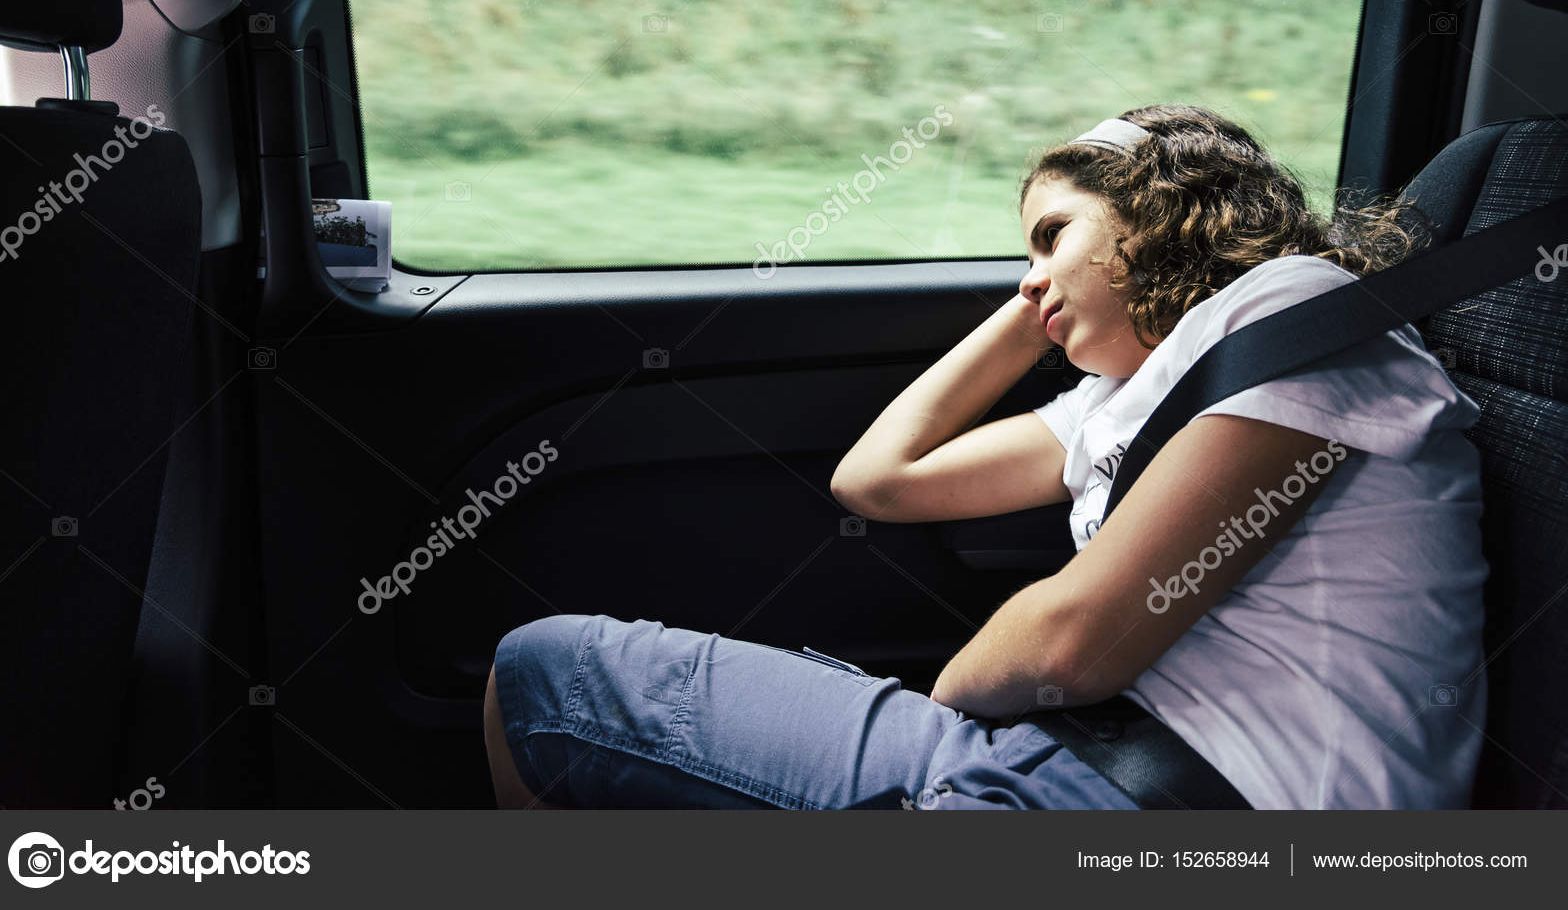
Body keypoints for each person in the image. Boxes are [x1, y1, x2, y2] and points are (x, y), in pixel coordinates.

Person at [482, 103, 1488, 810]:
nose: (1032, 274)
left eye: (1054, 235)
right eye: (1023, 253)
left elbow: (1068, 642)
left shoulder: (1292, 309)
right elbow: (877, 481)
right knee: (541, 671)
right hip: (1091, 762)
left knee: (552, 683)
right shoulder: (1118, 401)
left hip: (1210, 802)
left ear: (1160, 208)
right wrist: (1033, 308)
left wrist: (946, 736)